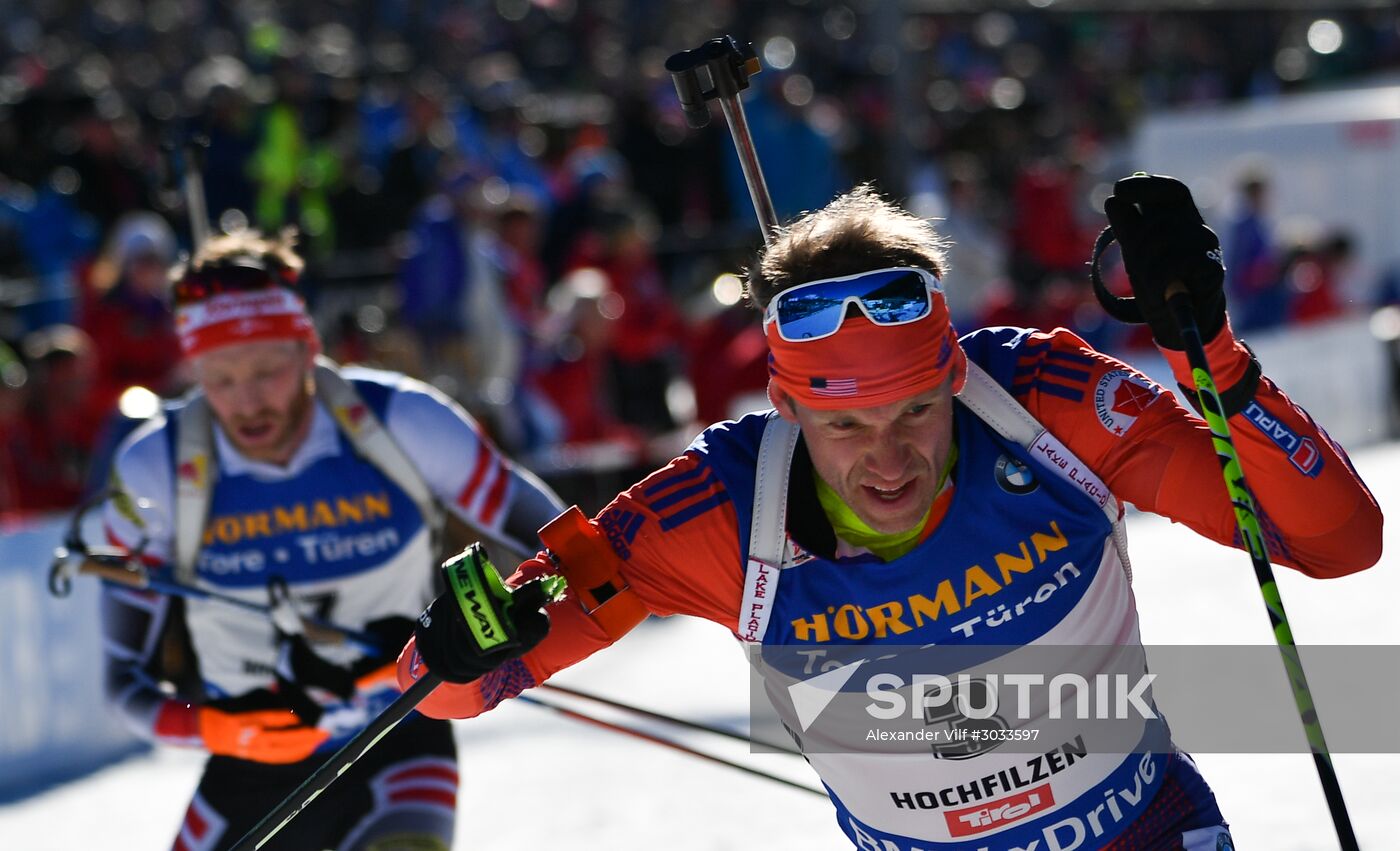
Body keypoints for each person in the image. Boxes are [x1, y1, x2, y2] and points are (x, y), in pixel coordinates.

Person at [399, 177, 1383, 850]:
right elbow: (450, 692)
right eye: (843, 423)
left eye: (916, 408)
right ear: (784, 404)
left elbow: (1337, 541)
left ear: (953, 372)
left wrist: (1206, 350)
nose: (886, 454)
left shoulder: (1041, 398)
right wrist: (448, 651)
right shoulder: (715, 507)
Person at [99, 228, 566, 851]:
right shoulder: (154, 468)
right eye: (220, 378)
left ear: (306, 349)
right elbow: (121, 683)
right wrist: (219, 728)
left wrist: (501, 615)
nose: (246, 403)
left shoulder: (399, 419)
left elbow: (561, 546)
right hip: (251, 762)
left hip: (402, 729)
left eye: (267, 371)